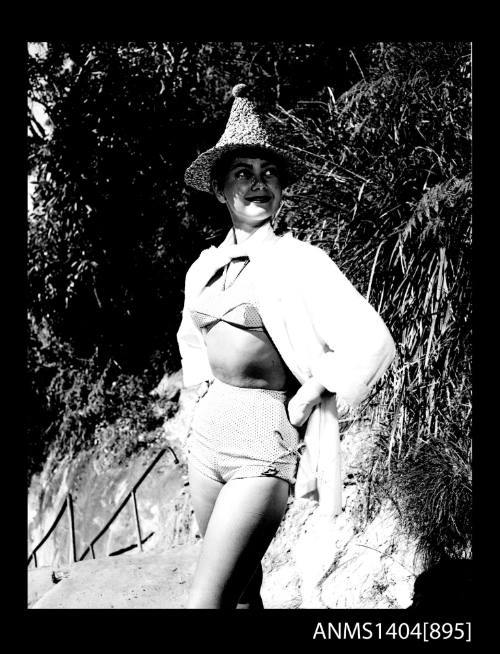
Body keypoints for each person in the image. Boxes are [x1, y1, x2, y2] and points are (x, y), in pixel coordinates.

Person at [177, 83, 396, 608]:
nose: (258, 184)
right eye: (243, 174)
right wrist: (195, 400)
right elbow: (192, 341)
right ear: (221, 190)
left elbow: (374, 342)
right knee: (241, 597)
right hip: (206, 443)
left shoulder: (301, 262)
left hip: (261, 442)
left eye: (268, 174)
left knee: (202, 603)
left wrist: (311, 391)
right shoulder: (202, 268)